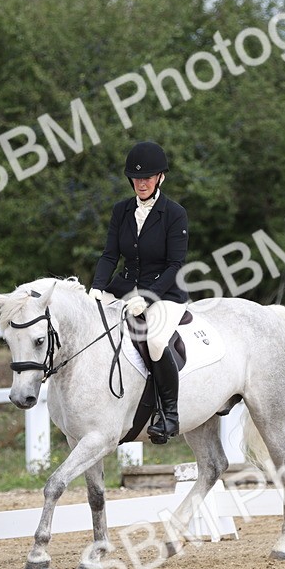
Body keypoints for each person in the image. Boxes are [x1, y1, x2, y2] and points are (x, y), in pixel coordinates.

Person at [89, 141, 190, 444]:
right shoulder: (121, 210)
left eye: (148, 177)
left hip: (164, 293)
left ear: (161, 177)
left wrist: (146, 298)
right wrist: (96, 287)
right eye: (136, 178)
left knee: (156, 340)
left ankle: (168, 413)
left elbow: (175, 264)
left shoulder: (174, 213)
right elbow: (110, 255)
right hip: (123, 288)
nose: (141, 183)